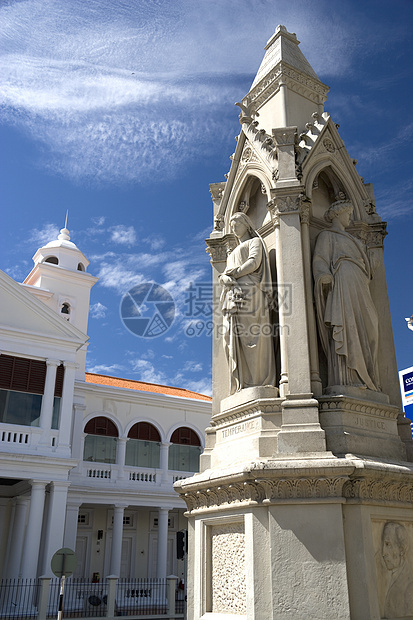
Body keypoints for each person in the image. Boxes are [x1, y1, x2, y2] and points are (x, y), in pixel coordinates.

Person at [312, 200, 380, 391]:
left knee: (370, 326)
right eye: (347, 213)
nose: (350, 217)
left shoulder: (355, 241)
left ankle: (368, 377)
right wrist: (323, 273)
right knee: (345, 326)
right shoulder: (326, 236)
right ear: (337, 214)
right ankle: (347, 379)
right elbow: (320, 259)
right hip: (342, 283)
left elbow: (367, 266)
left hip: (360, 285)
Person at [219, 212, 276, 394]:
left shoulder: (255, 242)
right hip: (233, 296)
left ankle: (258, 381)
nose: (234, 227)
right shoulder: (233, 252)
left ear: (246, 224)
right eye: (232, 224)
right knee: (235, 337)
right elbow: (225, 275)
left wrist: (232, 274)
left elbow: (253, 262)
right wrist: (225, 279)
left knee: (255, 337)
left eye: (237, 223)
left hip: (252, 293)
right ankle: (244, 383)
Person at [381, 521, 413, 617]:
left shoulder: (409, 586)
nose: (383, 553)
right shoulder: (393, 577)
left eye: (388, 545)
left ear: (402, 549)